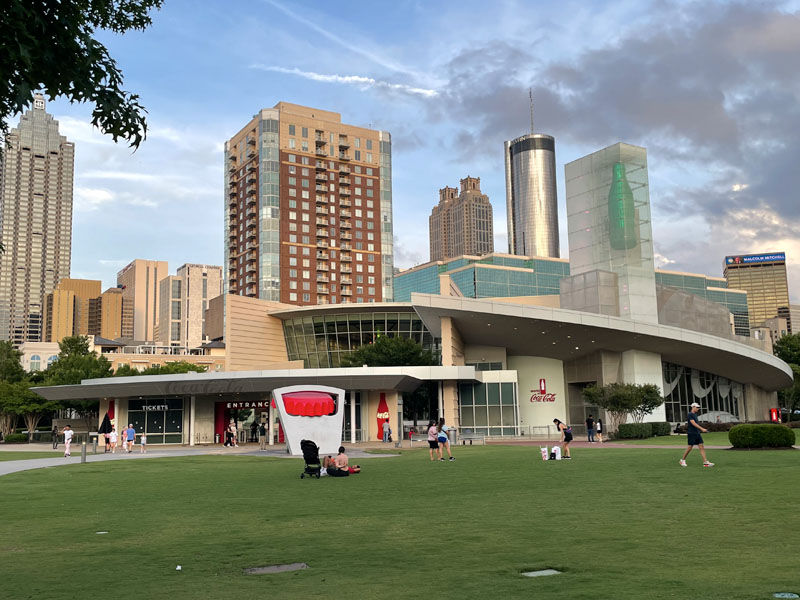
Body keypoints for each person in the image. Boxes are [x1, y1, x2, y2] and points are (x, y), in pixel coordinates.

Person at [680, 402, 714, 467]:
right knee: (690, 447)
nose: (698, 409)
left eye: (698, 407)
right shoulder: (690, 414)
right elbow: (693, 423)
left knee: (701, 446)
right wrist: (702, 429)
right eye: (697, 407)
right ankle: (682, 460)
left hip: (697, 433)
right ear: (693, 407)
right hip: (691, 433)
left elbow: (696, 424)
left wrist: (700, 430)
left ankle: (705, 462)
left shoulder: (695, 415)